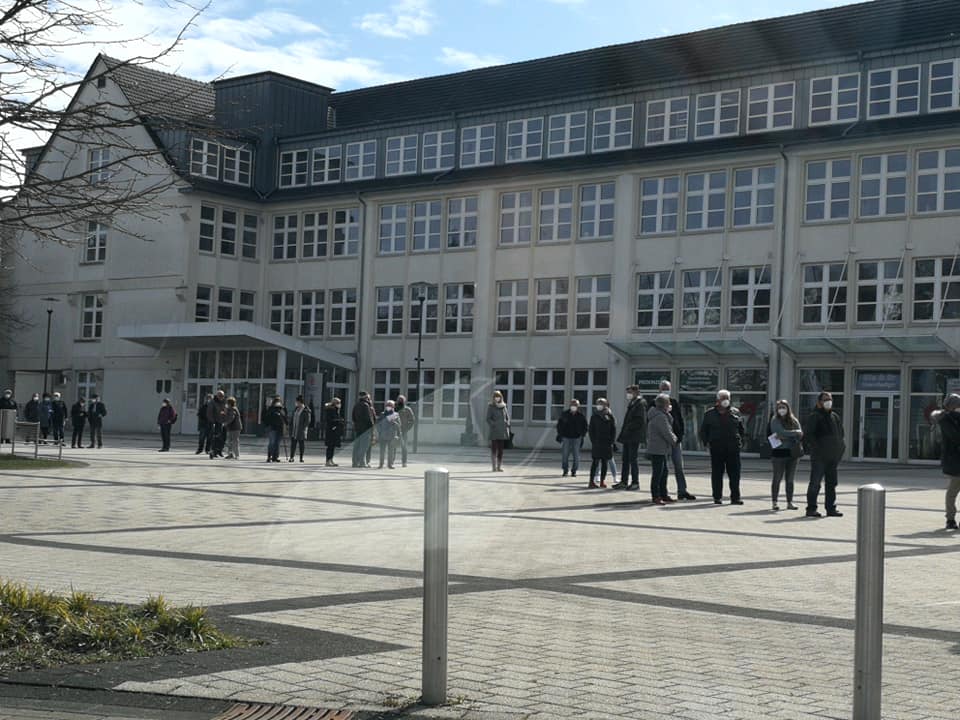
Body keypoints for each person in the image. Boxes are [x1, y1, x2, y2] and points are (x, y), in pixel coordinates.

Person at [803, 391, 845, 518]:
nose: (828, 402)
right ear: (819, 402)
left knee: (832, 484)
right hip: (819, 457)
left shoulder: (835, 416)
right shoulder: (815, 416)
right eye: (825, 399)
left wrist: (841, 449)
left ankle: (831, 508)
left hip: (833, 457)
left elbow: (841, 434)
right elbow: (809, 435)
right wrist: (818, 449)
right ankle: (811, 509)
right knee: (815, 483)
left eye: (830, 399)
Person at [699, 389, 745, 505]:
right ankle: (717, 497)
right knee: (717, 473)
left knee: (735, 474)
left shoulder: (735, 412)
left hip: (733, 448)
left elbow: (741, 429)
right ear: (717, 400)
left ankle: (735, 498)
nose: (725, 401)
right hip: (717, 447)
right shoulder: (709, 414)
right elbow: (704, 431)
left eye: (727, 398)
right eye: (723, 398)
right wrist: (707, 442)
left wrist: (741, 441)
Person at [660, 380, 696, 501]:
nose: (666, 390)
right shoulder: (655, 404)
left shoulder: (674, 403)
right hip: (663, 441)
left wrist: (679, 436)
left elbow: (680, 420)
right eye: (664, 388)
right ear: (659, 389)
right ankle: (662, 492)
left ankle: (682, 491)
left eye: (667, 388)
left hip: (675, 440)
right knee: (663, 468)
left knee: (679, 467)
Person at [769, 399, 803, 511]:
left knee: (790, 479)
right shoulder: (774, 420)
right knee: (777, 478)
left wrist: (789, 435)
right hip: (779, 452)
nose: (782, 410)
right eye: (780, 408)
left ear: (788, 408)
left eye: (784, 407)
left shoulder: (794, 420)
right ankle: (774, 502)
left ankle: (790, 502)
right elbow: (779, 432)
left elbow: (801, 434)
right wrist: (794, 433)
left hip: (793, 452)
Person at [934, 394, 960, 530]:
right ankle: (950, 519)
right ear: (952, 406)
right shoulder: (945, 420)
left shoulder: (955, 418)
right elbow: (956, 437)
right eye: (958, 406)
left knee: (953, 491)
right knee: (953, 491)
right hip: (955, 461)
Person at [647, 394, 678, 505]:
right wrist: (675, 440)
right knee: (658, 474)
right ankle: (656, 496)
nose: (670, 405)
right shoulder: (660, 417)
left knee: (664, 472)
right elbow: (667, 432)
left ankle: (663, 494)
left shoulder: (661, 415)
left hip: (662, 449)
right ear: (664, 404)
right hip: (658, 449)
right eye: (668, 403)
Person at [613, 385, 646, 490]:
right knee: (625, 459)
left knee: (633, 459)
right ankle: (624, 481)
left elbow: (639, 421)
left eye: (630, 392)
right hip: (628, 436)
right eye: (627, 392)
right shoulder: (632, 403)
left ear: (636, 392)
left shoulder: (640, 404)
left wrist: (628, 428)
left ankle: (635, 482)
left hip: (634, 436)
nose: (628, 394)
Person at [588, 397, 617, 488]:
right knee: (595, 462)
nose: (599, 405)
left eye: (601, 403)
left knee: (605, 463)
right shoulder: (594, 416)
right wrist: (593, 441)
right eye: (598, 403)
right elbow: (591, 430)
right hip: (597, 443)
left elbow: (613, 429)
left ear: (605, 405)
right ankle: (591, 482)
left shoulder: (610, 416)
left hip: (607, 443)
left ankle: (602, 481)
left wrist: (611, 441)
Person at [556, 399, 588, 477]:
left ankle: (574, 471)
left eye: (575, 405)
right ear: (570, 405)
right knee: (565, 455)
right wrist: (560, 434)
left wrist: (583, 434)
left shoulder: (581, 415)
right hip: (566, 437)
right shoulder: (565, 414)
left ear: (578, 406)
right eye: (572, 405)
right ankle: (565, 470)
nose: (574, 406)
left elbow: (585, 426)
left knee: (576, 455)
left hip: (577, 438)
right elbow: (559, 425)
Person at [486, 391, 510, 473]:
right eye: (496, 396)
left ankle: (499, 467)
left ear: (501, 397)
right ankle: (493, 467)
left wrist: (507, 423)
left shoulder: (504, 406)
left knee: (501, 450)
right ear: (493, 398)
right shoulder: (491, 406)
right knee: (494, 449)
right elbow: (488, 418)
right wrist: (493, 424)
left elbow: (507, 417)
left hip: (502, 431)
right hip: (494, 431)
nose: (497, 398)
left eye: (498, 396)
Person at [351, 391, 376, 468]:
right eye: (368, 398)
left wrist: (357, 425)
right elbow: (368, 419)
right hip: (366, 429)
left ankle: (355, 462)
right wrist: (372, 428)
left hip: (358, 429)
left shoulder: (356, 405)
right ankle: (362, 462)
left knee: (357, 447)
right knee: (364, 447)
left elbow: (353, 417)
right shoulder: (366, 406)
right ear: (366, 397)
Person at [376, 400, 401, 469]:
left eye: (390, 406)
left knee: (391, 451)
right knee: (382, 451)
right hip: (383, 435)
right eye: (388, 405)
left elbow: (399, 425)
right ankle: (381, 464)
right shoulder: (382, 414)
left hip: (392, 435)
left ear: (393, 407)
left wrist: (394, 423)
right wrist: (380, 432)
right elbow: (377, 424)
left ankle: (390, 464)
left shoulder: (396, 415)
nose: (389, 407)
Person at [262, 395, 287, 463]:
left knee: (277, 443)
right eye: (277, 401)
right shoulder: (271, 409)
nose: (278, 403)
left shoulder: (282, 409)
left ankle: (275, 457)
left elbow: (285, 418)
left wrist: (286, 424)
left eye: (279, 401)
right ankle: (269, 456)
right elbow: (266, 418)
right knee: (272, 442)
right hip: (272, 428)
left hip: (280, 428)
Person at [289, 395, 311, 463]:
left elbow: (307, 421)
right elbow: (292, 418)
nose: (296, 403)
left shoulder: (305, 410)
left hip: (301, 430)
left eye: (297, 402)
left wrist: (303, 428)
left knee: (301, 444)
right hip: (294, 429)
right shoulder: (295, 409)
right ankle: (291, 457)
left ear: (300, 402)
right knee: (293, 444)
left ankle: (301, 458)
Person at [324, 398, 345, 467]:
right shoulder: (331, 410)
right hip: (331, 431)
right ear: (335, 403)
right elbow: (330, 420)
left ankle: (331, 460)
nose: (339, 405)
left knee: (332, 447)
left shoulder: (335, 410)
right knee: (330, 447)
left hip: (334, 431)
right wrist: (339, 421)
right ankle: (328, 460)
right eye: (338, 403)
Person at [396, 395, 416, 467]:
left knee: (404, 447)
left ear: (404, 401)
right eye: (399, 400)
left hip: (403, 431)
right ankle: (391, 461)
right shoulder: (395, 408)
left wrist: (407, 428)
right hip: (394, 431)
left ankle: (404, 462)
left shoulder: (407, 409)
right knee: (393, 446)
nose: (400, 401)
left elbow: (412, 420)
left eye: (401, 400)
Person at [205, 390, 227, 458]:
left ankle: (220, 450)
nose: (221, 397)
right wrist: (213, 421)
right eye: (220, 396)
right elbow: (209, 413)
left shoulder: (224, 402)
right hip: (216, 422)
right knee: (216, 437)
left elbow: (226, 411)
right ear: (217, 396)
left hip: (223, 422)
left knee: (223, 438)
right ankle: (214, 451)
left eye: (222, 396)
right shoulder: (213, 402)